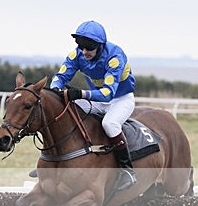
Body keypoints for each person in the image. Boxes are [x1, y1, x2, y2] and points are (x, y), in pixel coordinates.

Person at [50, 20, 137, 191]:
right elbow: (60, 76)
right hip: (97, 100)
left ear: (99, 45)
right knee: (66, 108)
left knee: (109, 124)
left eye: (89, 48)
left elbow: (107, 94)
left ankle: (127, 171)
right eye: (81, 47)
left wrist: (81, 93)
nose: (84, 52)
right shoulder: (77, 55)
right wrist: (54, 90)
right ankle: (53, 160)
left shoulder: (115, 57)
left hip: (120, 100)